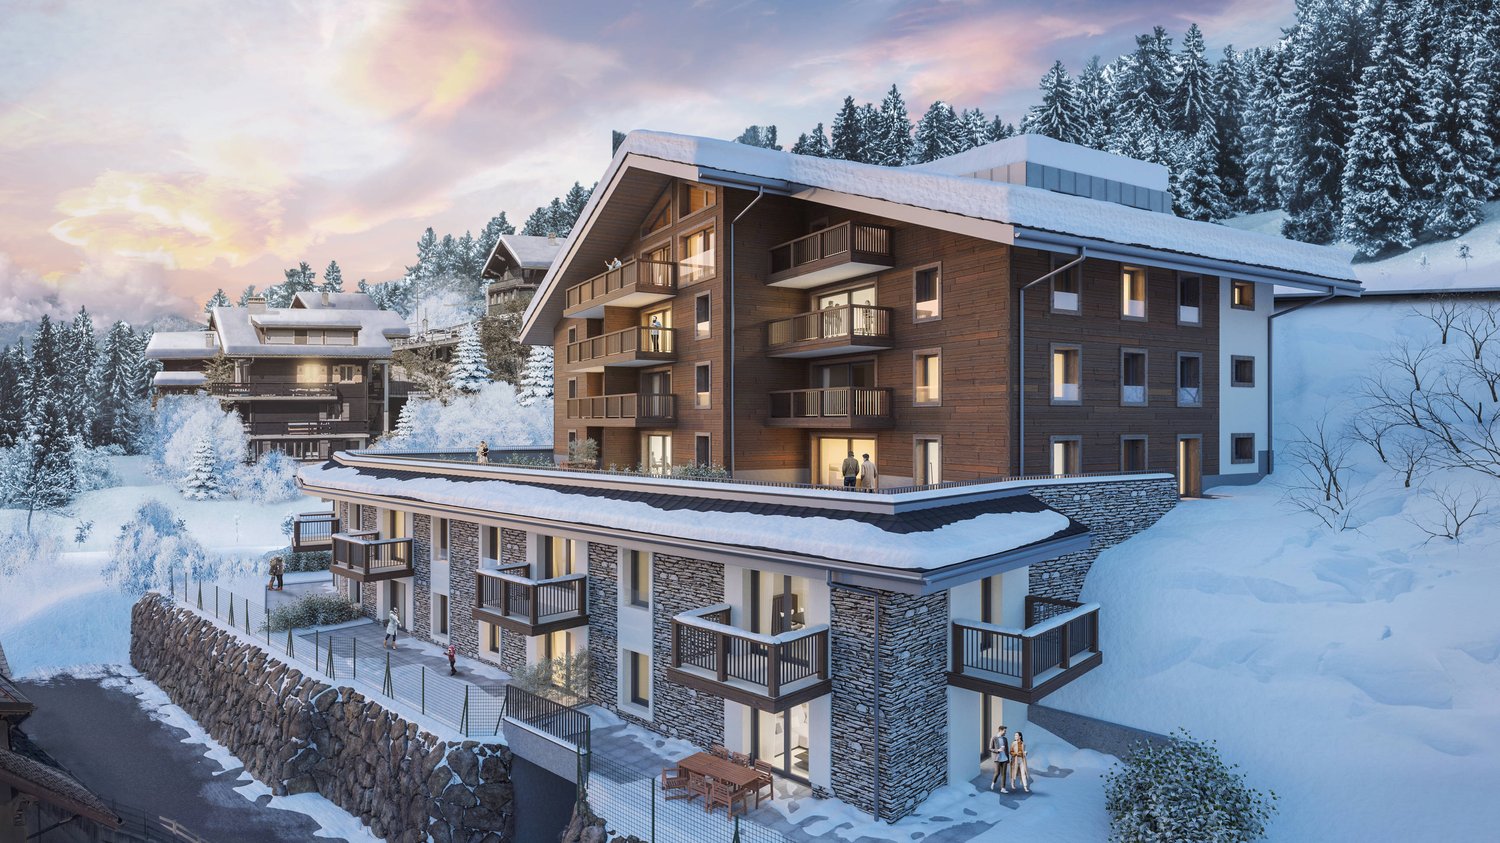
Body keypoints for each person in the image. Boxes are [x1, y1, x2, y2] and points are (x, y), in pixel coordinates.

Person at [989, 725, 1010, 792]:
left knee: (1004, 774)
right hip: (997, 758)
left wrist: (1008, 759)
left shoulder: (1005, 739)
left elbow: (1007, 749)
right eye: (1004, 731)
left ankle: (1003, 788)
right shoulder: (994, 738)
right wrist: (998, 750)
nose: (1005, 732)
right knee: (997, 772)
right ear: (1001, 730)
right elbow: (990, 748)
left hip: (1004, 758)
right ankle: (993, 783)